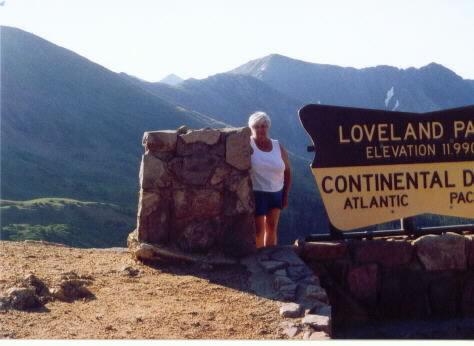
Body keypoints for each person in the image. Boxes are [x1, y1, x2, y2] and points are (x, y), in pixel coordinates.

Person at [248, 111, 292, 248]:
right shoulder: (248, 145)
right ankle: (260, 261)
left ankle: (271, 259)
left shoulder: (278, 146)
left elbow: (288, 171)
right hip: (257, 193)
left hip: (276, 193)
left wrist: (285, 195)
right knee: (259, 231)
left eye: (264, 126)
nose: (261, 129)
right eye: (257, 126)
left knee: (272, 229)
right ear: (251, 128)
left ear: (268, 127)